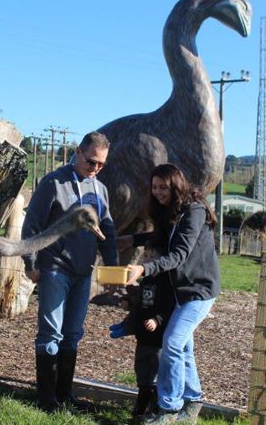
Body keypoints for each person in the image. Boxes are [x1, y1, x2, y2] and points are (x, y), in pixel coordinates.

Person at [22, 131, 118, 412]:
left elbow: (108, 231)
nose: (95, 169)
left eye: (101, 165)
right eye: (91, 162)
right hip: (54, 269)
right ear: (77, 152)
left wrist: (112, 268)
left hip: (83, 272)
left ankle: (64, 395)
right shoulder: (53, 183)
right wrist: (30, 264)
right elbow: (32, 226)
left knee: (73, 333)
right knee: (50, 334)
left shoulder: (100, 190)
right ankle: (46, 400)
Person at [124, 164, 220, 424]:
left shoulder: (194, 211)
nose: (157, 192)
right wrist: (130, 240)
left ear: (176, 185)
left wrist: (144, 268)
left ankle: (169, 409)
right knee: (184, 347)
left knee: (173, 343)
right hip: (182, 291)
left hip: (200, 290)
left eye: (163, 187)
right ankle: (193, 402)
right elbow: (160, 237)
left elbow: (178, 255)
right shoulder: (174, 212)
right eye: (154, 187)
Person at [109, 241, 175, 418]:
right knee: (142, 372)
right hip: (143, 338)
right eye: (145, 256)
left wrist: (157, 320)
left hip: (157, 339)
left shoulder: (166, 282)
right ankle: (141, 402)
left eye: (153, 257)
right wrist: (128, 301)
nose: (147, 260)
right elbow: (140, 303)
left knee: (156, 372)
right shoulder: (146, 280)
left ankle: (154, 407)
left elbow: (168, 307)